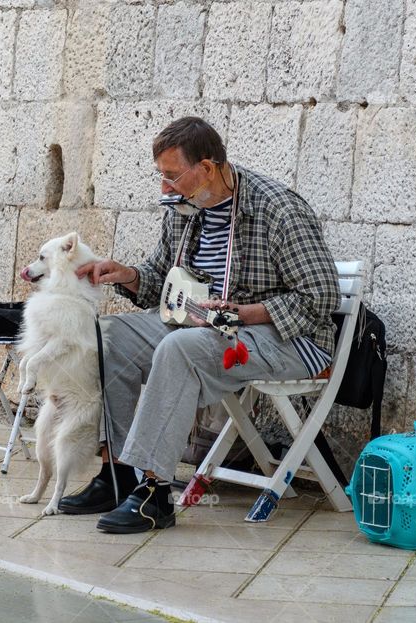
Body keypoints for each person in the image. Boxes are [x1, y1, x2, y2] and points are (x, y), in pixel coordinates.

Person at [63, 116, 341, 534]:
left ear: (207, 168)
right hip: (202, 327)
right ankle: (118, 474)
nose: (164, 188)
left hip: (287, 338)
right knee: (110, 336)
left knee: (179, 348)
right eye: (161, 176)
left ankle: (155, 495)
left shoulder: (278, 208)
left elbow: (321, 297)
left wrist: (247, 312)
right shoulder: (183, 209)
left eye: (172, 176)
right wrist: (128, 275)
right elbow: (161, 278)